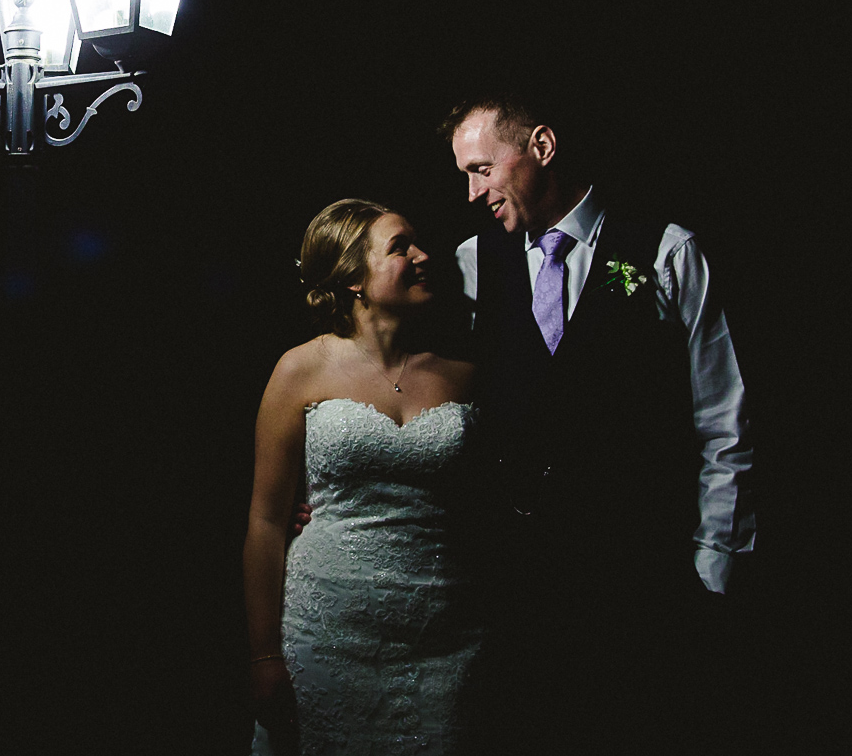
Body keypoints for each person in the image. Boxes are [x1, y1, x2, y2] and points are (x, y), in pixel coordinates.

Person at [441, 92, 757, 746]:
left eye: (480, 170)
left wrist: (713, 568)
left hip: (644, 577)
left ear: (542, 148)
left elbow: (724, 422)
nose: (472, 194)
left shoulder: (667, 250)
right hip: (519, 586)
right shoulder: (473, 265)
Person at [243, 199, 482, 755]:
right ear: (353, 277)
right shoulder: (300, 369)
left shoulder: (465, 371)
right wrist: (263, 656)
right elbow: (264, 520)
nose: (424, 256)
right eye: (401, 248)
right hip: (326, 637)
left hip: (448, 638)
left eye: (419, 242)